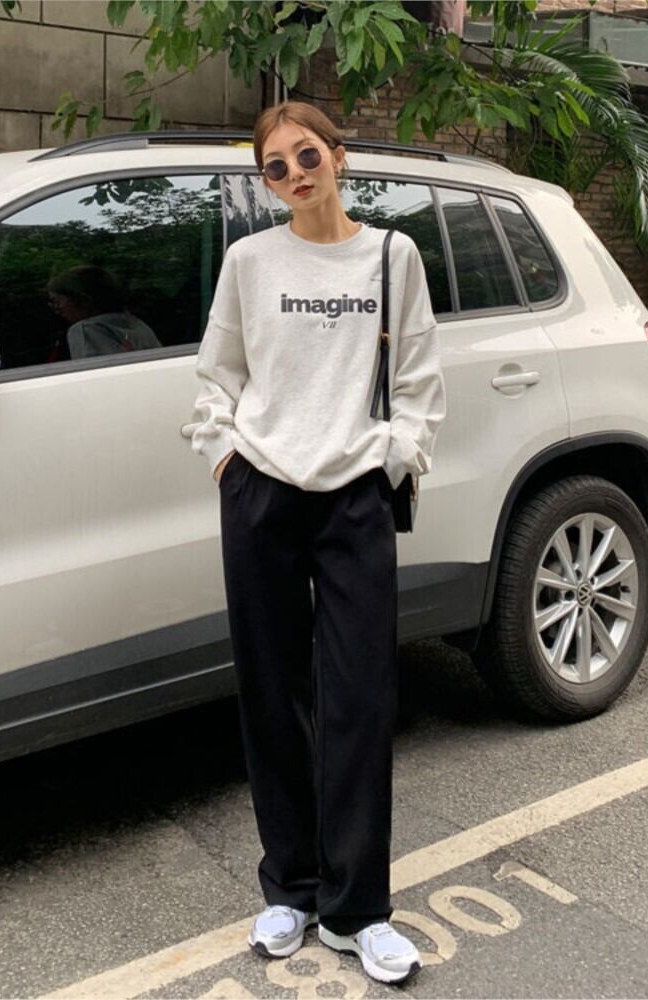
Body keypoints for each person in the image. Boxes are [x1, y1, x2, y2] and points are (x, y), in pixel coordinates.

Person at [187, 100, 446, 986]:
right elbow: (217, 374)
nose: (294, 174)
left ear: (339, 156)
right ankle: (291, 889)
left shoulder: (392, 255)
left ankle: (358, 910)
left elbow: (419, 379)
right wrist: (226, 460)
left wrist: (395, 460)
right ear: (265, 183)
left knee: (359, 701)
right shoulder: (249, 261)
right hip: (261, 491)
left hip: (354, 499)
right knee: (271, 693)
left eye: (307, 156)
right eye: (275, 167)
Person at [46, 265, 162, 360]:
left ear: (83, 300)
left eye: (57, 301)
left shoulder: (87, 329)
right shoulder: (137, 324)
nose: (57, 308)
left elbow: (95, 375)